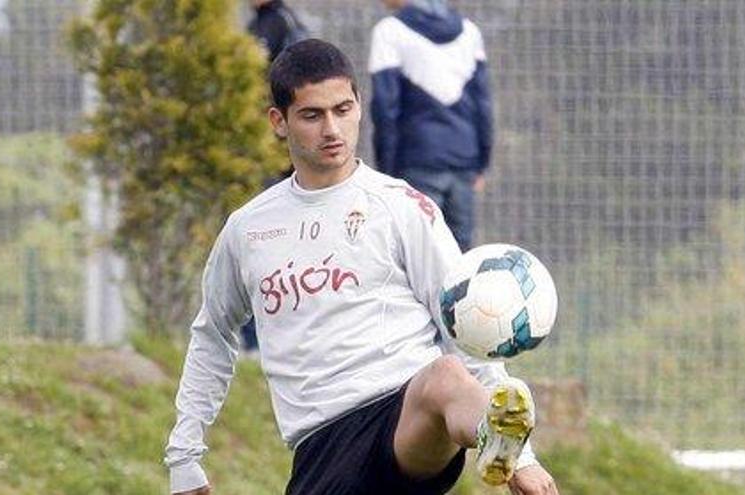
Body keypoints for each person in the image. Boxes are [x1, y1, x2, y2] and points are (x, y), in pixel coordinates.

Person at [164, 39, 558, 495]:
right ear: (279, 121)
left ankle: (497, 439)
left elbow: (464, 326)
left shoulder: (404, 208)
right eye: (312, 115)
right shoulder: (248, 230)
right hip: (322, 446)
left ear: (358, 108)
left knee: (446, 376)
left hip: (406, 421)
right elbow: (214, 335)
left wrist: (523, 458)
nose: (332, 128)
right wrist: (185, 454)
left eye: (343, 109)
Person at [369, 0, 493, 252]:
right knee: (459, 261)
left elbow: (385, 109)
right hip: (463, 161)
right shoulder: (470, 32)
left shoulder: (389, 31)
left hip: (415, 162)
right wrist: (481, 163)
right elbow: (483, 105)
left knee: (417, 255)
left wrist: (387, 173)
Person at [242, 0, 310, 356]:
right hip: (264, 155)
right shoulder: (262, 23)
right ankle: (256, 340)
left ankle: (261, 341)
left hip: (276, 159)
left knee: (271, 248)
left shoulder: (280, 24)